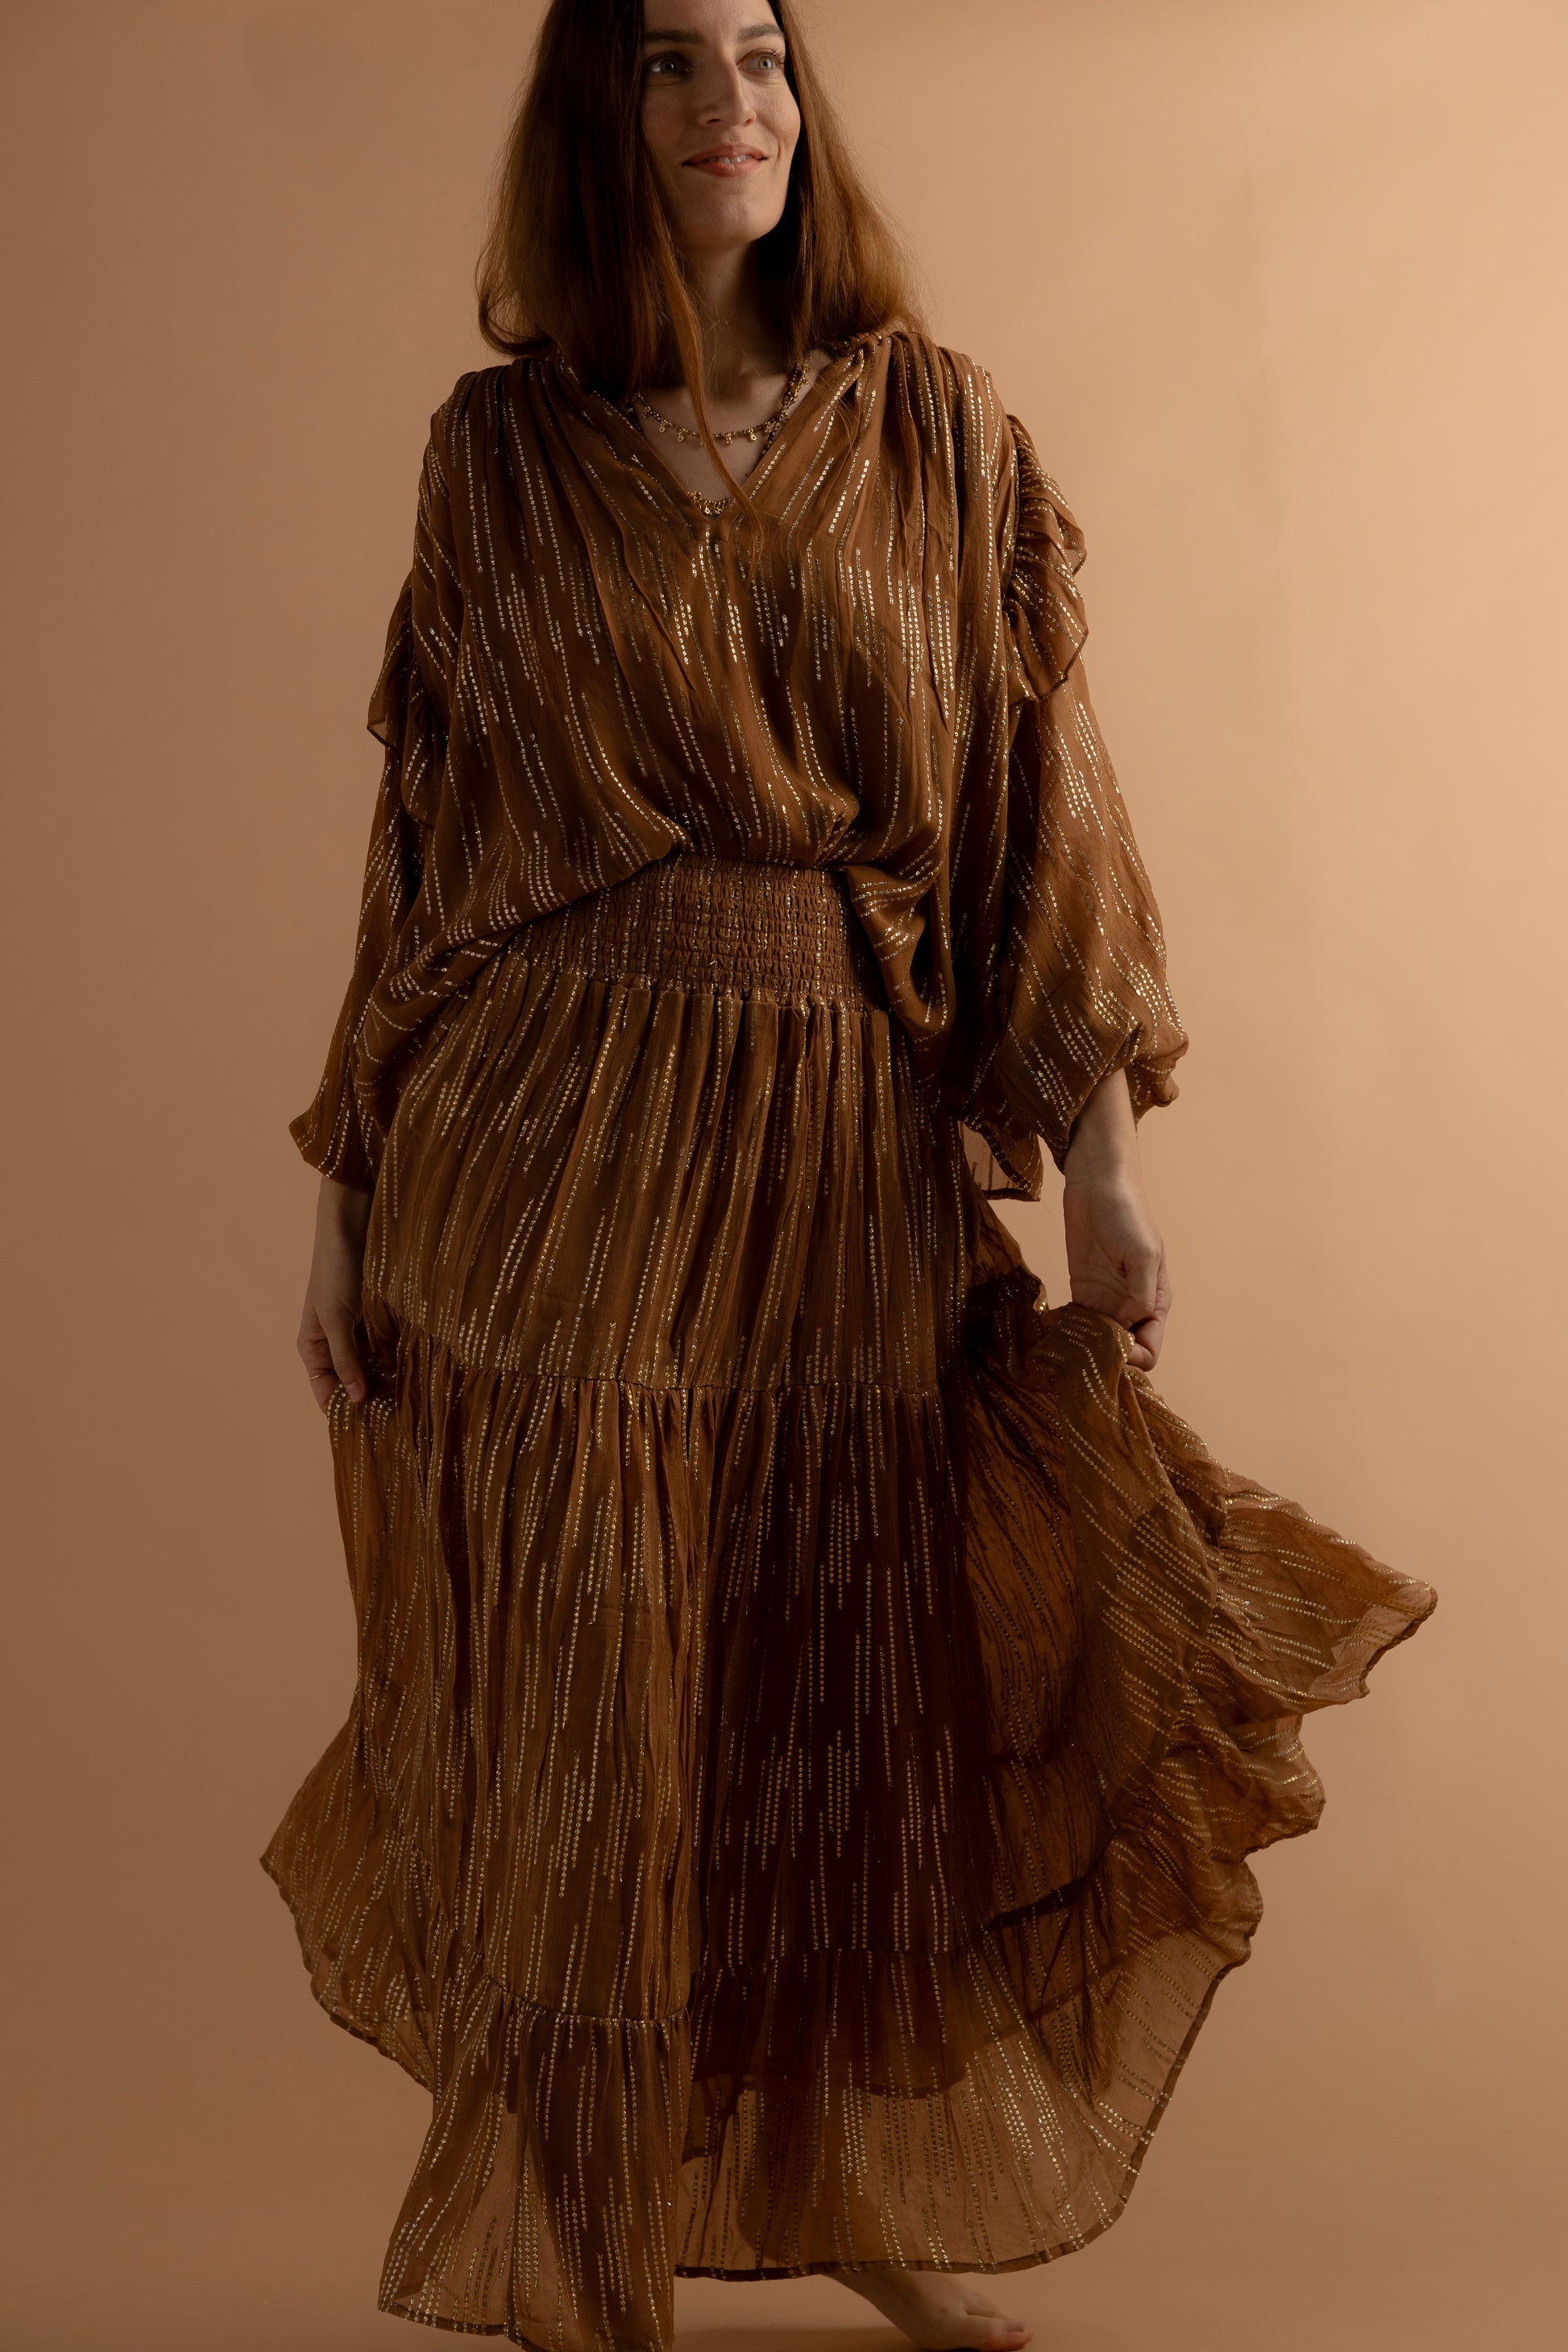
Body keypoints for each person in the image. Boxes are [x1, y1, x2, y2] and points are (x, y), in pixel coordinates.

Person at [262, 4, 1437, 2347]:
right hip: (544, 1145)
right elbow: (428, 855)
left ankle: (835, 2192)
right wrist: (346, 1193)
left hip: (829, 1146)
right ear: (596, 121)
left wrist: (1099, 1172)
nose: (736, 106)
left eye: (767, 56)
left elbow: (1041, 811)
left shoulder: (935, 432)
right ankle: (587, 2265)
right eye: (673, 63)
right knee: (588, 1711)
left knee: (824, 1705)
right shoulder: (496, 459)